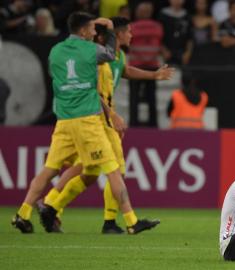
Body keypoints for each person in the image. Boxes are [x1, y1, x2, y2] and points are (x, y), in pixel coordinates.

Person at [38, 16, 174, 234]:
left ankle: (51, 205)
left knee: (89, 170)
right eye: (128, 31)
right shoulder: (100, 58)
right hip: (96, 119)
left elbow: (126, 70)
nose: (132, 35)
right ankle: (112, 221)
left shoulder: (117, 56)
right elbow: (93, 92)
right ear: (116, 34)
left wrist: (154, 75)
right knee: (114, 168)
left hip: (95, 118)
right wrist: (112, 115)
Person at [11, 12, 141, 234]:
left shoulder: (56, 51)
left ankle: (23, 213)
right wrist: (108, 28)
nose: (93, 32)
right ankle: (130, 221)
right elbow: (110, 54)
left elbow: (57, 76)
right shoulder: (90, 51)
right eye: (90, 28)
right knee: (112, 168)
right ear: (82, 31)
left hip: (63, 119)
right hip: (88, 119)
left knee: (51, 170)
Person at [128, 1, 163, 127]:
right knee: (151, 98)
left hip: (135, 66)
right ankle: (153, 125)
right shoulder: (157, 27)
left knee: (134, 98)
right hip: (152, 66)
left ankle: (133, 124)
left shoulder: (131, 27)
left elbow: (128, 41)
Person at [158, 0, 194, 65]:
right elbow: (158, 36)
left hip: (182, 53)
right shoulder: (162, 14)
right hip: (166, 52)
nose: (177, 1)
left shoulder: (187, 15)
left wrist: (188, 53)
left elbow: (190, 37)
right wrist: (163, 50)